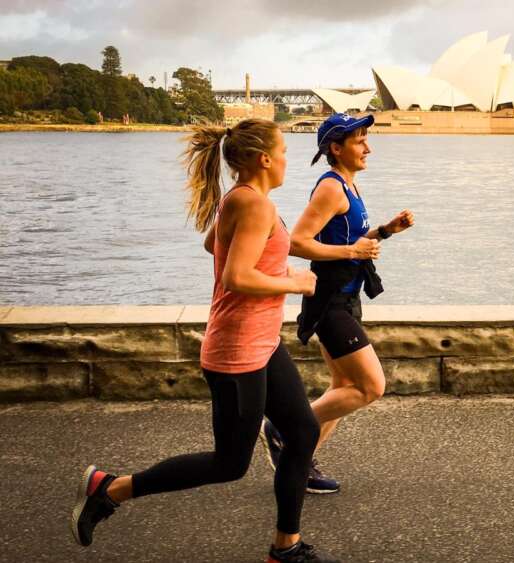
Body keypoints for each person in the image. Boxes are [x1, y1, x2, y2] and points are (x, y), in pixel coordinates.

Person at [70, 118, 339, 563]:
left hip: (262, 344)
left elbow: (214, 244)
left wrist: (268, 268)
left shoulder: (241, 199)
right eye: (285, 152)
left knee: (303, 431)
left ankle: (285, 547)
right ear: (265, 159)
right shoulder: (255, 206)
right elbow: (235, 275)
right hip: (237, 355)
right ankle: (110, 489)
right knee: (229, 464)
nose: (289, 160)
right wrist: (294, 282)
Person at [258, 113, 414, 493]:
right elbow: (296, 241)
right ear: (336, 147)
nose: (368, 147)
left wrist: (385, 231)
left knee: (343, 386)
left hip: (347, 298)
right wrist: (352, 249)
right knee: (369, 387)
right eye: (360, 140)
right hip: (329, 302)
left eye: (366, 139)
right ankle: (282, 430)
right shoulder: (331, 188)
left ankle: (300, 462)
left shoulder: (350, 186)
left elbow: (355, 241)